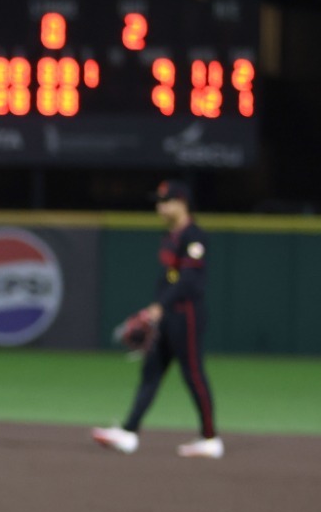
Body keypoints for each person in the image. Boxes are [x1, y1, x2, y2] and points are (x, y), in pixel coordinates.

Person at [92, 179, 223, 458]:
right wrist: (157, 309)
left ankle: (211, 439)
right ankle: (129, 433)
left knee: (193, 375)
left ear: (181, 203)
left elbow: (189, 282)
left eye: (165, 201)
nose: (160, 206)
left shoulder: (194, 237)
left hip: (187, 314)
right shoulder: (170, 236)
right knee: (150, 373)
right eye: (159, 201)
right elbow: (169, 280)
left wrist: (158, 307)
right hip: (167, 315)